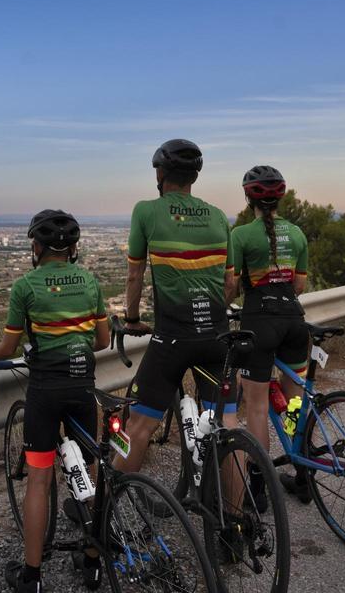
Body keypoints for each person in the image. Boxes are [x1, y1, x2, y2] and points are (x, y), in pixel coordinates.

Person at [0, 209, 110, 593]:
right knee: (91, 472)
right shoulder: (89, 281)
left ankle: (32, 577)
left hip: (45, 392)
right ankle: (93, 562)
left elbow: (9, 347)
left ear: (36, 246)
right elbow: (101, 341)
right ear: (74, 249)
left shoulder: (26, 287)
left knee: (39, 478)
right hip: (83, 387)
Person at [115, 139, 238, 480]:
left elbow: (134, 274)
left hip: (172, 338)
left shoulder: (146, 211)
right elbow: (230, 285)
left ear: (160, 173)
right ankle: (238, 523)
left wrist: (133, 319)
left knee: (138, 425)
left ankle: (110, 510)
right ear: (194, 177)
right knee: (226, 424)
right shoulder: (217, 216)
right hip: (217, 335)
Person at [226, 165, 311, 503]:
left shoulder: (241, 235)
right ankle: (304, 477)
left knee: (258, 408)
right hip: (294, 320)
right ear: (282, 197)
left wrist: (224, 304)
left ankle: (260, 489)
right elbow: (300, 285)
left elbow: (231, 286)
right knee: (296, 403)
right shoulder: (298, 233)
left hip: (259, 322)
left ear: (249, 198)